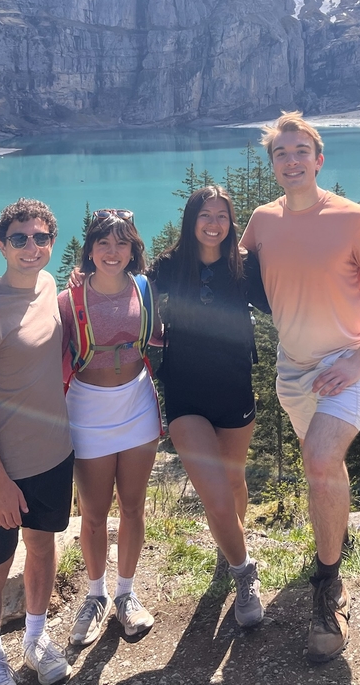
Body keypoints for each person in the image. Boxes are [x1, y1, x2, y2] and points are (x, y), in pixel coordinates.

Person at [241, 112, 360, 664]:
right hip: (294, 370)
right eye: (280, 154)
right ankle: (335, 540)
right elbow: (221, 269)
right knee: (323, 466)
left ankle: (329, 589)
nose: (290, 162)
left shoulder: (353, 219)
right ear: (272, 165)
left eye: (299, 152)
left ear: (318, 159)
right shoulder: (261, 222)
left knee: (318, 460)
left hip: (347, 363)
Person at [0, 198, 73, 685]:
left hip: (52, 456)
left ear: (50, 243)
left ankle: (35, 639)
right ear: (2, 245)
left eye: (41, 237)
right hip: (0, 471)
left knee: (42, 549)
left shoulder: (48, 286)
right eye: (20, 238)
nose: (31, 247)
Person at [148, 186, 270, 628]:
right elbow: (123, 289)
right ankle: (245, 571)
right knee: (215, 492)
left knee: (233, 481)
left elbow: (284, 299)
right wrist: (82, 280)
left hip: (235, 388)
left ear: (231, 221)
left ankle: (230, 548)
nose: (214, 223)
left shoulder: (244, 266)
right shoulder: (168, 265)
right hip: (185, 394)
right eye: (205, 215)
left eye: (222, 215)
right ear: (191, 220)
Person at [60, 209, 161, 647]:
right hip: (88, 408)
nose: (113, 251)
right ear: (90, 249)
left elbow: (159, 337)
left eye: (122, 243)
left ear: (133, 248)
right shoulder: (70, 299)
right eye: (104, 242)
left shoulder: (145, 288)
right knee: (95, 512)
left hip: (137, 403)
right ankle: (96, 594)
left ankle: (126, 593)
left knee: (134, 507)